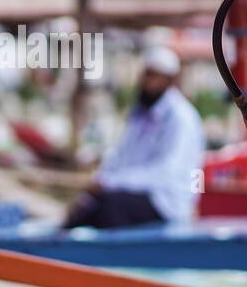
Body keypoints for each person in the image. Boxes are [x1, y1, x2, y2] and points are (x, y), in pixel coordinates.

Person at [65, 45, 205, 229]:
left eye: (154, 76)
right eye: (146, 75)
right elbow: (121, 156)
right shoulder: (140, 112)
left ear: (169, 80)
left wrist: (110, 182)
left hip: (166, 203)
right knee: (85, 206)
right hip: (139, 194)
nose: (148, 82)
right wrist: (101, 179)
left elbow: (165, 173)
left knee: (110, 207)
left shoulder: (181, 118)